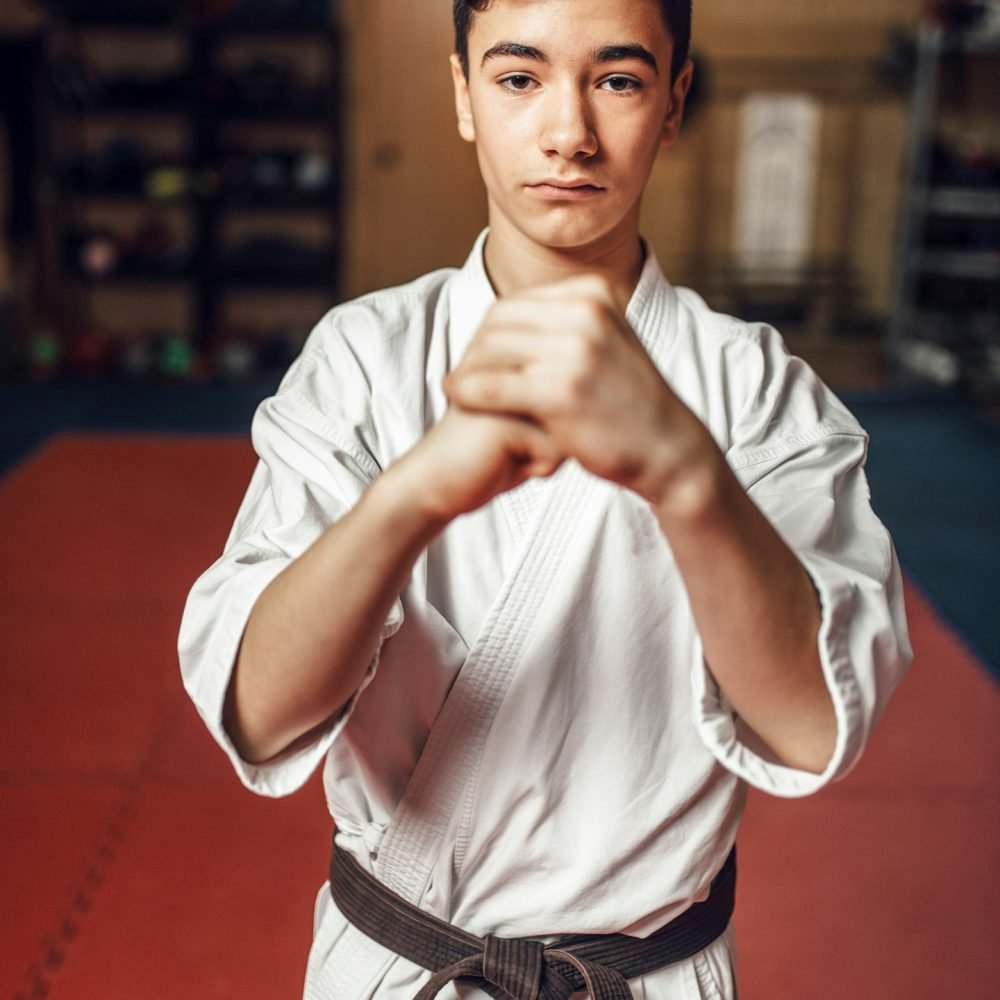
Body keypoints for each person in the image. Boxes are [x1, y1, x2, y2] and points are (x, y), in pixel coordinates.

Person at [178, 0, 911, 997]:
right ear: (462, 94)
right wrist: (413, 494)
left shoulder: (758, 392)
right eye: (518, 78)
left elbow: (813, 727)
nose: (568, 131)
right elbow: (258, 717)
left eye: (617, 79)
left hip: (648, 975)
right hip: (398, 967)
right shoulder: (364, 360)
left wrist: (685, 475)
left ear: (672, 102)